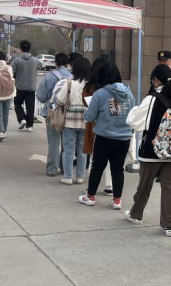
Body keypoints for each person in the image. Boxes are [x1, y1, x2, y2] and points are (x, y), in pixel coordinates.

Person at [124, 64, 171, 237]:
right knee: (169, 187)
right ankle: (168, 225)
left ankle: (136, 215)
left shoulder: (152, 99)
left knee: (144, 185)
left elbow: (134, 121)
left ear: (156, 80)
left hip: (152, 151)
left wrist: (134, 110)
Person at [80, 62, 135, 209]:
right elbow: (132, 114)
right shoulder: (129, 93)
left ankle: (90, 196)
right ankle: (117, 200)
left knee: (97, 167)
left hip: (104, 137)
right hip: (124, 137)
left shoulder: (100, 94)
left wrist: (87, 112)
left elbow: (90, 116)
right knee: (118, 169)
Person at [55, 57, 90, 185]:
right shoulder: (91, 85)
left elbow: (59, 100)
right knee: (83, 151)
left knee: (68, 150)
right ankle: (80, 177)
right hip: (86, 122)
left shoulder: (69, 83)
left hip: (69, 122)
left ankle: (68, 177)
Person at [35, 52, 71, 175]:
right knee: (67, 142)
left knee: (53, 142)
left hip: (52, 112)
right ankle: (65, 167)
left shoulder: (49, 77)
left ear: (55, 63)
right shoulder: (72, 77)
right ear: (67, 64)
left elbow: (41, 96)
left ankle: (52, 169)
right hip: (69, 113)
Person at [83, 58, 114, 195]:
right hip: (111, 125)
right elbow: (114, 110)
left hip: (94, 125)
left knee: (94, 159)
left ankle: (91, 188)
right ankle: (110, 186)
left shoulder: (90, 87)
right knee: (111, 159)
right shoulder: (113, 89)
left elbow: (86, 104)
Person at [10, 40, 37, 131]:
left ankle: (22, 118)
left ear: (21, 48)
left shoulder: (17, 60)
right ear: (30, 48)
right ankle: (30, 125)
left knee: (17, 104)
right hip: (31, 87)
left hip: (20, 86)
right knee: (30, 107)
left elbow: (12, 73)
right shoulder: (35, 60)